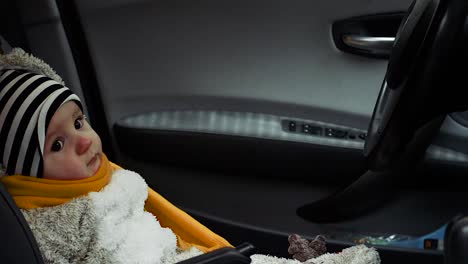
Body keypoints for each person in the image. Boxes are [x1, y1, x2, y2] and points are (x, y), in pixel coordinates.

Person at [0, 48, 380, 264]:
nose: (83, 141)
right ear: (25, 173)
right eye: (56, 145)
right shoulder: (47, 222)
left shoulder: (106, 177)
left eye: (79, 122)